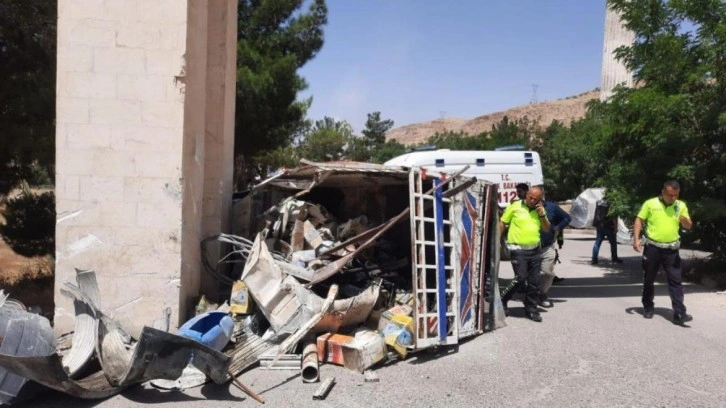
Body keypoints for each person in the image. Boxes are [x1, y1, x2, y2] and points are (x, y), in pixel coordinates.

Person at [633, 181, 693, 325]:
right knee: (649, 279)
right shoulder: (650, 203)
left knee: (675, 281)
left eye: (676, 195)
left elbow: (689, 225)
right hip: (653, 248)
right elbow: (639, 220)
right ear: (663, 192)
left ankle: (679, 312)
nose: (673, 198)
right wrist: (635, 239)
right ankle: (648, 307)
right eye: (670, 195)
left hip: (671, 250)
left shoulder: (680, 205)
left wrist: (685, 222)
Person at [499, 185, 550, 322]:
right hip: (518, 249)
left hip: (534, 250)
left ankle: (531, 309)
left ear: (540, 199)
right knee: (520, 279)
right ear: (526, 195)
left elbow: (546, 228)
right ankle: (503, 297)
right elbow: (503, 223)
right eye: (530, 197)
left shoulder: (540, 210)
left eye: (536, 199)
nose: (532, 200)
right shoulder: (515, 206)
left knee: (534, 281)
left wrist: (542, 215)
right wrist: (497, 241)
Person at [537, 190, 572, 308]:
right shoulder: (525, 208)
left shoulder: (552, 207)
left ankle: (542, 293)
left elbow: (567, 218)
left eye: (538, 198)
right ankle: (532, 297)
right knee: (527, 274)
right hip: (529, 247)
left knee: (547, 273)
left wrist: (557, 228)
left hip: (547, 246)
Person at [591, 197, 623, 265]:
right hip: (609, 226)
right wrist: (616, 227)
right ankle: (614, 259)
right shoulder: (612, 203)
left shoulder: (599, 202)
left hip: (599, 225)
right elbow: (613, 216)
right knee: (613, 243)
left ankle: (594, 259)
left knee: (597, 242)